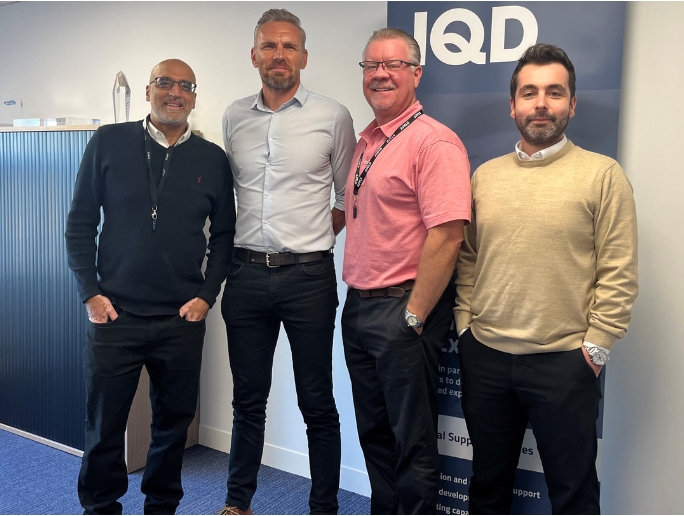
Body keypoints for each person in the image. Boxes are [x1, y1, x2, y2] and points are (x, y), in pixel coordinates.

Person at [454, 43, 639, 514]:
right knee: (487, 486)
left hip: (565, 363)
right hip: (486, 356)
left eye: (554, 93)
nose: (541, 103)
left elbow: (618, 270)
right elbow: (468, 258)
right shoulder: (485, 176)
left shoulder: (603, 175)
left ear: (571, 105)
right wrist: (465, 328)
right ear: (512, 105)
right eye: (529, 93)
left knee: (574, 493)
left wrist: (595, 348)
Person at [65, 59, 236, 515]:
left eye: (185, 86)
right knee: (104, 427)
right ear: (147, 91)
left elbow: (224, 237)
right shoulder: (109, 142)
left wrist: (206, 297)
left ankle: (161, 507)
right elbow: (79, 224)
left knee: (172, 427)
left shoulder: (212, 159)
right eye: (165, 82)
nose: (175, 92)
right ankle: (100, 507)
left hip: (181, 320)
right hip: (115, 316)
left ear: (194, 97)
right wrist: (90, 293)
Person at [217, 9, 356, 516]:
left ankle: (324, 507)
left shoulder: (333, 116)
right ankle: (238, 503)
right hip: (245, 274)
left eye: (289, 46)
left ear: (304, 56)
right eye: (270, 46)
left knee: (316, 400)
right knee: (247, 400)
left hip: (308, 278)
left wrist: (310, 239)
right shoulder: (233, 116)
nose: (280, 55)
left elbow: (347, 197)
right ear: (254, 56)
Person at [341, 28, 471, 515]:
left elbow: (448, 236)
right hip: (359, 308)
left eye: (393, 65)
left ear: (416, 73)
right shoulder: (367, 140)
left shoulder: (433, 142)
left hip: (403, 310)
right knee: (374, 434)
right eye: (371, 65)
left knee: (412, 443)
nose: (380, 74)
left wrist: (414, 316)